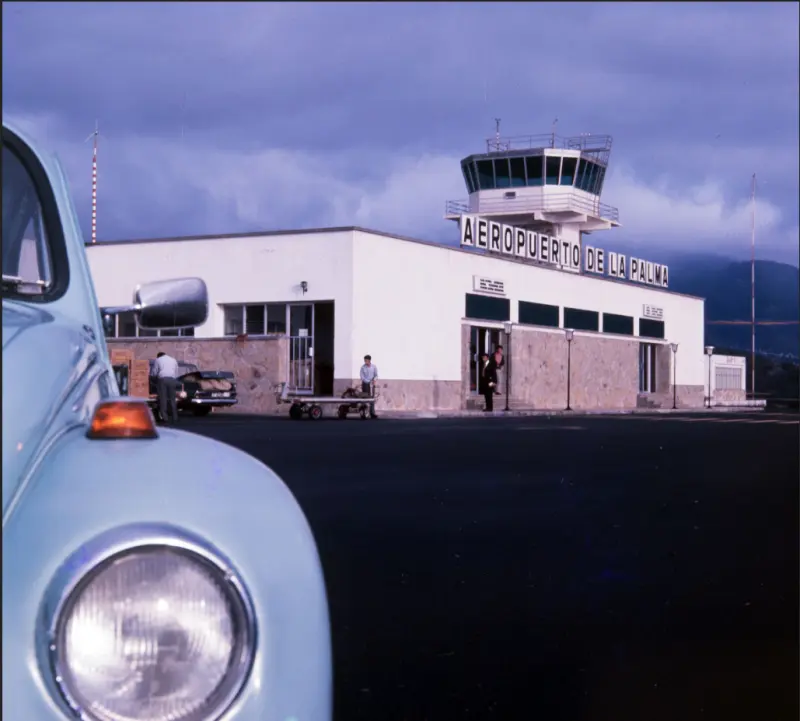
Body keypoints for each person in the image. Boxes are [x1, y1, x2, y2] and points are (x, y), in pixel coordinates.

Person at [153, 351, 180, 424]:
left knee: (163, 399)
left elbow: (154, 372)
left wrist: (154, 379)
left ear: (158, 356)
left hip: (162, 380)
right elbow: (176, 371)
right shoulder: (173, 359)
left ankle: (165, 418)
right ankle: (175, 417)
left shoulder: (158, 360)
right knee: (172, 399)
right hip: (172, 379)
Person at [359, 354, 378, 419]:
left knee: (372, 399)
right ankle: (363, 413)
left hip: (372, 385)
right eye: (365, 361)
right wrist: (367, 381)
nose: (365, 362)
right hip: (365, 384)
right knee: (365, 398)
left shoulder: (373, 367)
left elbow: (376, 375)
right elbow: (362, 377)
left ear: (369, 360)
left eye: (366, 360)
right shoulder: (363, 367)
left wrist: (374, 380)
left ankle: (372, 413)